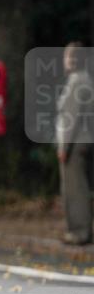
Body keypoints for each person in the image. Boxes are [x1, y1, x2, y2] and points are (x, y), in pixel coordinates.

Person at [56, 42, 94, 245]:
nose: (65, 60)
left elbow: (71, 117)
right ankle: (82, 229)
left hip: (76, 142)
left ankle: (79, 231)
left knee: (74, 189)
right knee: (81, 186)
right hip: (84, 140)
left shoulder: (76, 82)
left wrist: (64, 147)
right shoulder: (85, 80)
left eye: (68, 56)